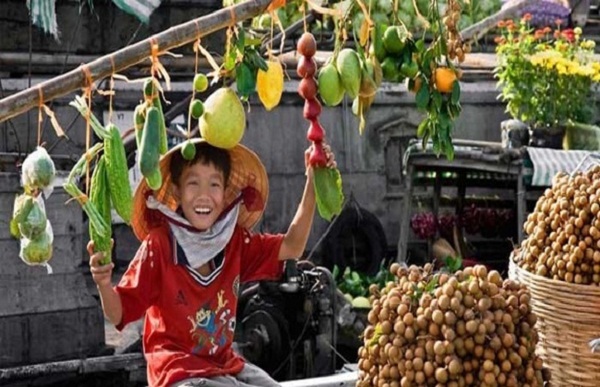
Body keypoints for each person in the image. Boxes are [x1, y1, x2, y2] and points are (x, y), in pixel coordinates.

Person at [88, 138, 336, 387]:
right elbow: (117, 312)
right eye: (193, 183)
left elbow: (292, 246)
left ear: (226, 192)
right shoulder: (160, 245)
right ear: (176, 191)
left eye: (214, 184)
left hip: (225, 365)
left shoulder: (234, 240)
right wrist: (103, 282)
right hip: (178, 373)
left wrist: (312, 182)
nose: (204, 195)